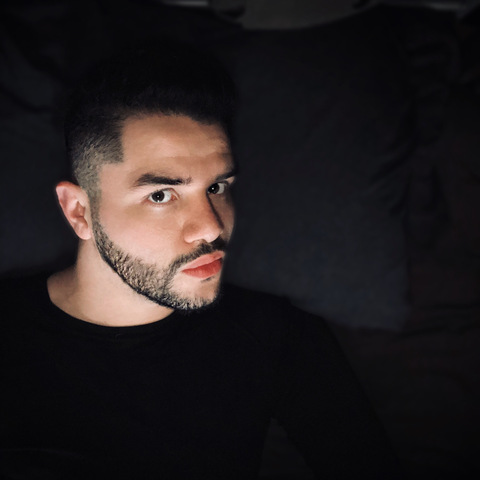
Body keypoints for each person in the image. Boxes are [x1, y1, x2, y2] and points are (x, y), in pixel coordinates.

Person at [0, 40, 404, 479]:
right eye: (161, 195)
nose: (211, 228)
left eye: (217, 187)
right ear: (79, 211)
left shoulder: (275, 337)